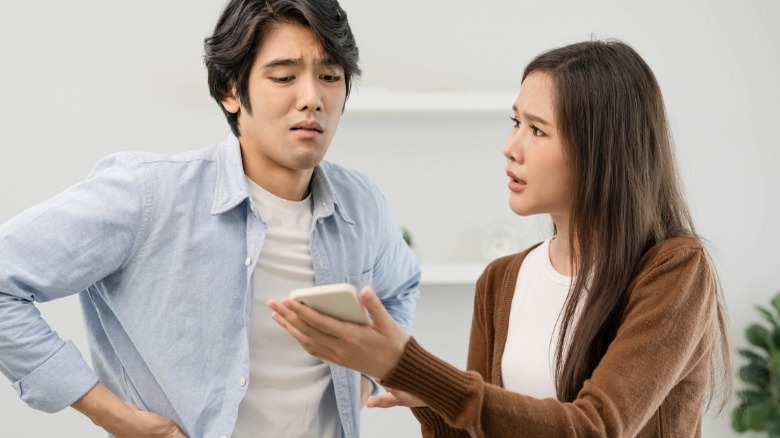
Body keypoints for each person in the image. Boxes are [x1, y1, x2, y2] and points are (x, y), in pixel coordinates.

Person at [269, 39, 732, 437]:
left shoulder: (674, 269)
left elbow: (595, 427)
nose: (511, 148)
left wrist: (419, 370)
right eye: (516, 123)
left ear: (601, 151)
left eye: (538, 130)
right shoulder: (502, 280)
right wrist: (427, 395)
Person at [0, 0, 420, 437]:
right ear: (231, 91)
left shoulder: (361, 203)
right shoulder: (148, 195)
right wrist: (112, 415)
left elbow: (401, 285)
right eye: (284, 77)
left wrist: (368, 375)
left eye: (330, 77)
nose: (312, 98)